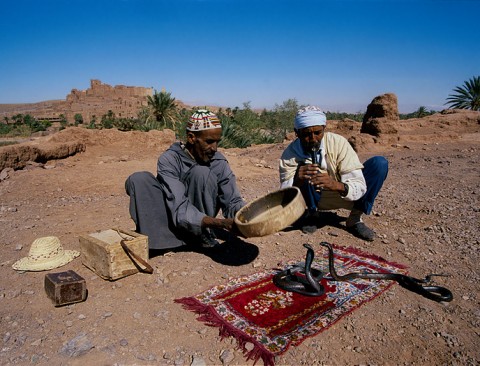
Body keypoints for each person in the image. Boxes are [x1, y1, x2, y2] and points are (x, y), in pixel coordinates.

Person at [125, 109, 245, 250]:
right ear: (191, 138)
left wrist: (251, 216)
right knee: (139, 179)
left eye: (217, 142)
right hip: (172, 218)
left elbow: (232, 201)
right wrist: (219, 223)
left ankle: (201, 236)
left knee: (201, 172)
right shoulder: (169, 159)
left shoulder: (218, 162)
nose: (215, 148)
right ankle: (157, 240)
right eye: (209, 142)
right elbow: (178, 206)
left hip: (199, 227)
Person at [279, 105, 388, 241]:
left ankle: (355, 219)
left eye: (318, 133)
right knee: (304, 169)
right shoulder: (290, 154)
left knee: (379, 164)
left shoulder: (339, 143)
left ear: (324, 129)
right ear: (297, 133)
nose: (313, 139)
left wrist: (334, 185)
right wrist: (297, 180)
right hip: (314, 197)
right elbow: (284, 197)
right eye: (306, 134)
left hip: (344, 194)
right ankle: (312, 215)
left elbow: (358, 184)